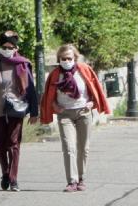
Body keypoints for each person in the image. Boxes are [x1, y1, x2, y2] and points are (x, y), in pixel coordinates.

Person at [40, 44, 111, 192]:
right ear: (59, 59)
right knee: (69, 147)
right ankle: (72, 181)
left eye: (69, 58)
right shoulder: (55, 74)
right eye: (63, 58)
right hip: (65, 114)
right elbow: (48, 95)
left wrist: (91, 103)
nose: (66, 61)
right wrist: (54, 105)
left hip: (83, 112)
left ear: (75, 58)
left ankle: (81, 178)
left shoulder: (84, 70)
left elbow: (95, 88)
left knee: (83, 148)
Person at [0, 30, 39, 192]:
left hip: (17, 108)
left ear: (15, 48)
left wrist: (34, 111)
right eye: (4, 46)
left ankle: (13, 178)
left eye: (10, 47)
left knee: (13, 142)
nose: (7, 49)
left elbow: (31, 88)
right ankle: (5, 172)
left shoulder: (23, 64)